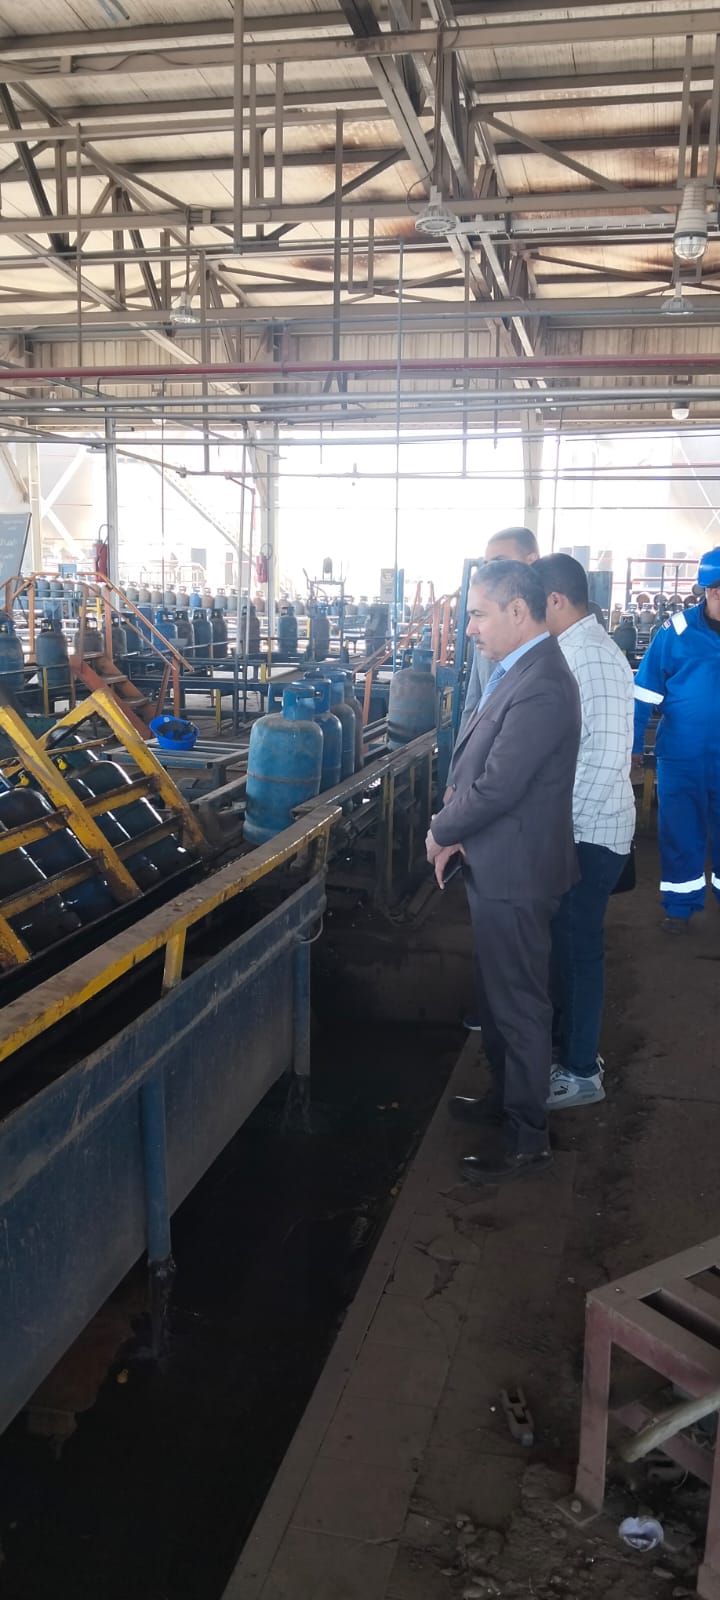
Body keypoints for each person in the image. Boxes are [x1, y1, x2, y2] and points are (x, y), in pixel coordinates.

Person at [426, 561, 581, 1184]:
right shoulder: (517, 670)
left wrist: (443, 830)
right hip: (498, 861)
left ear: (518, 611)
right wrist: (461, 832)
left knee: (518, 1005)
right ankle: (505, 1101)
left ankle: (526, 1138)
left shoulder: (542, 683)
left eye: (477, 614)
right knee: (498, 998)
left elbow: (498, 786)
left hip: (518, 874)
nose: (469, 628)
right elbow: (483, 769)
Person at [535, 554, 635, 1109]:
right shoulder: (576, 650)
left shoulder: (591, 657)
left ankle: (579, 1073)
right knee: (570, 946)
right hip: (582, 829)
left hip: (589, 834)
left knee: (578, 950)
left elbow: (601, 760)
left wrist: (560, 834)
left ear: (555, 600)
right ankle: (572, 1053)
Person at [633, 545, 720, 929]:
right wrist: (634, 745)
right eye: (717, 589)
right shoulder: (676, 632)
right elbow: (644, 691)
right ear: (709, 590)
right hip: (682, 756)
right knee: (680, 831)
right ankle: (680, 906)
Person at [459, 526, 540, 737]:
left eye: (499, 562)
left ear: (531, 561)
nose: (490, 572)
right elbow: (474, 704)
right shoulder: (484, 631)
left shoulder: (548, 637)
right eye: (486, 565)